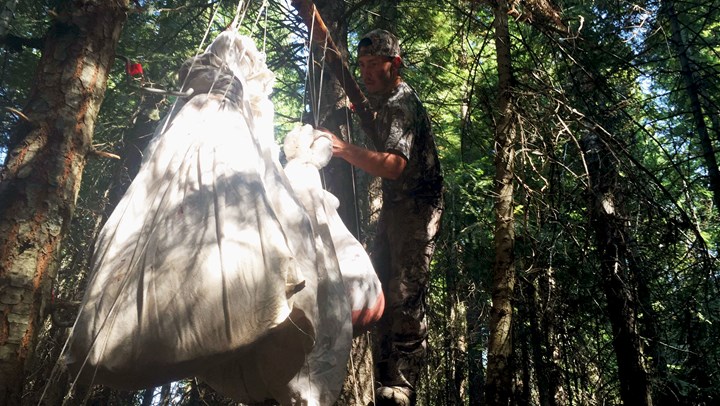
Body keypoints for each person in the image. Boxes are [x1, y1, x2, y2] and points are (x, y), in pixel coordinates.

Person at [330, 29, 443, 406]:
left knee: (405, 292)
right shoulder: (383, 101)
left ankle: (402, 387)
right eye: (361, 65)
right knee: (376, 283)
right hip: (397, 206)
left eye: (374, 64)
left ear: (394, 64)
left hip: (418, 206)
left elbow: (394, 165)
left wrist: (344, 149)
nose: (366, 72)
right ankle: (379, 376)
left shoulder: (400, 102)